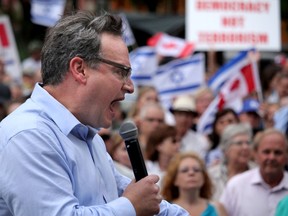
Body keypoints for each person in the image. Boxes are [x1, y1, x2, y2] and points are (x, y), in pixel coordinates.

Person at [0, 11, 189, 216]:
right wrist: (131, 206)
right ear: (80, 69)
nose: (130, 86)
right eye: (121, 71)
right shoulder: (28, 134)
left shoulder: (90, 138)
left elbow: (142, 198)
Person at [220, 128, 288, 216]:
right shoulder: (236, 186)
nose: (272, 157)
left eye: (278, 153)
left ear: (286, 156)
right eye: (266, 152)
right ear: (255, 154)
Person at [161, 152, 227, 216]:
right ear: (174, 179)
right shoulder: (165, 210)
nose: (191, 173)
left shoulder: (218, 208)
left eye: (196, 170)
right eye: (185, 170)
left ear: (204, 178)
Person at [208, 123, 255, 200]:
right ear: (226, 149)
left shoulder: (259, 173)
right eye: (239, 143)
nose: (245, 147)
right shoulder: (211, 176)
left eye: (248, 143)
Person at [170, 95, 210, 159]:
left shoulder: (201, 141)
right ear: (174, 115)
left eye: (188, 115)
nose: (184, 119)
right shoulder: (164, 139)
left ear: (193, 118)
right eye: (180, 114)